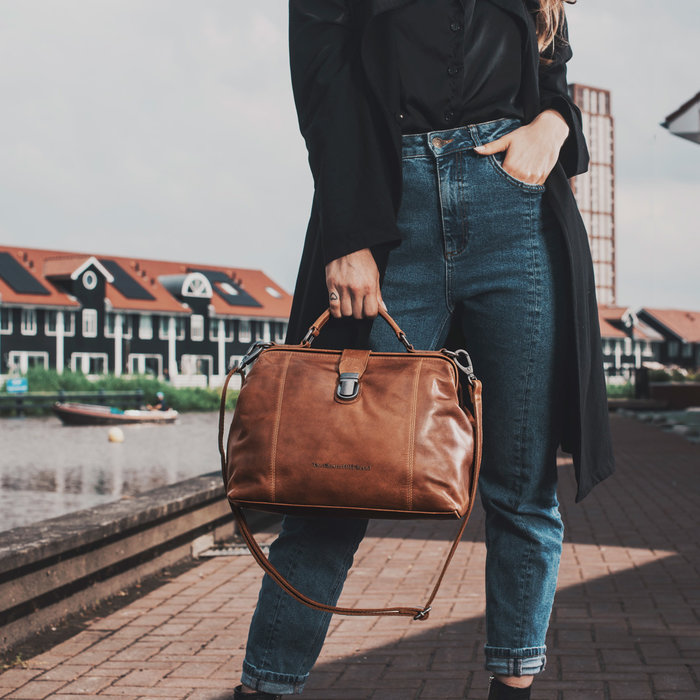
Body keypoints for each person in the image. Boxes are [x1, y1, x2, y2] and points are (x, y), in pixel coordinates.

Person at [233, 1, 615, 698]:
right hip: (388, 211)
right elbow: (322, 80)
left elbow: (553, 74)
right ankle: (266, 686)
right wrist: (349, 236)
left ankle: (513, 685)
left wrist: (551, 128)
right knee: (330, 479)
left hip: (514, 207)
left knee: (523, 488)